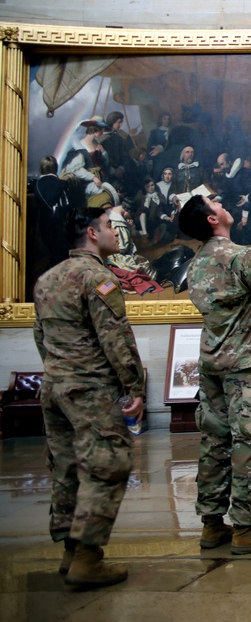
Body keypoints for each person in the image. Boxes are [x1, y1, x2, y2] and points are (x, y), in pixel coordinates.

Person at [33, 207, 145, 590]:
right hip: (92, 389)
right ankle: (87, 558)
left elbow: (40, 337)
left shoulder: (47, 279)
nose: (116, 232)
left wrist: (57, 372)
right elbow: (116, 340)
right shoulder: (98, 277)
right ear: (92, 234)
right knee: (107, 463)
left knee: (66, 468)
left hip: (54, 387)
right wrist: (134, 388)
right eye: (110, 226)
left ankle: (68, 552)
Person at [177, 195, 251, 554]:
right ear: (213, 219)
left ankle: (212, 525)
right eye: (214, 202)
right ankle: (246, 528)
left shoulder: (195, 264)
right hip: (246, 362)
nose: (221, 202)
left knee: (214, 442)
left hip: (211, 363)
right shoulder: (242, 256)